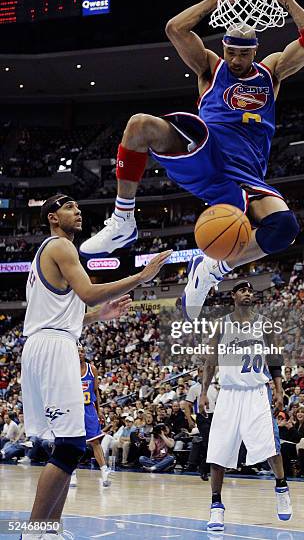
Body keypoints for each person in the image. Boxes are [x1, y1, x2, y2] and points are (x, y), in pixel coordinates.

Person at [79, 0, 304, 321]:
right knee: (139, 125)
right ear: (222, 48)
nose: (236, 61)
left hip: (245, 175)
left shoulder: (272, 72)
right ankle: (123, 220)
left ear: (255, 51)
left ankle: (212, 268)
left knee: (284, 227)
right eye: (231, 53)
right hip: (207, 154)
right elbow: (175, 28)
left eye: (243, 54)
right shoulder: (211, 68)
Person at [20, 194, 171, 538]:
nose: (77, 212)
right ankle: (33, 532)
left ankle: (51, 529)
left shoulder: (54, 253)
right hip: (53, 349)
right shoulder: (60, 246)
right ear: (52, 217)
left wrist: (97, 317)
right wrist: (141, 276)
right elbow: (88, 292)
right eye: (69, 207)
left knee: (66, 446)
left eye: (77, 206)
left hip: (47, 343)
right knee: (72, 446)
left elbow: (63, 314)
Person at [200, 281, 292, 532]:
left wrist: (279, 388)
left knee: (270, 445)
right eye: (243, 290)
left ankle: (282, 487)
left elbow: (275, 360)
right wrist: (203, 392)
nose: (248, 294)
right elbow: (210, 362)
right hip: (229, 393)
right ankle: (216, 507)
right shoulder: (221, 325)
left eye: (251, 291)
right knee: (218, 452)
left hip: (256, 392)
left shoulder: (265, 323)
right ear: (233, 295)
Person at [69, 344, 111, 488]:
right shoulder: (69, 369)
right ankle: (73, 474)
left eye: (82, 351)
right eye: (77, 351)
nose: (80, 353)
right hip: (74, 409)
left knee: (95, 442)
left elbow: (96, 391)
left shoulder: (91, 369)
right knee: (73, 442)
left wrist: (99, 410)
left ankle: (104, 471)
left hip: (88, 409)